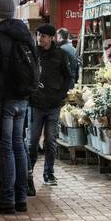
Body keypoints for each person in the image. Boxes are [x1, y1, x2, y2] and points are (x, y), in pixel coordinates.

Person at [0, 0, 40, 215]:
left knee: (5, 148)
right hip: (22, 99)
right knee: (19, 146)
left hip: (2, 100)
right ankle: (22, 197)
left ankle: (7, 199)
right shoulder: (26, 35)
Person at [28, 24, 76, 191]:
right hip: (35, 105)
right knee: (32, 141)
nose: (40, 38)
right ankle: (28, 173)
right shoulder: (33, 54)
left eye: (43, 36)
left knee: (50, 141)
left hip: (53, 105)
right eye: (38, 35)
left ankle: (49, 173)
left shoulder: (60, 55)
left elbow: (69, 77)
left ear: (51, 38)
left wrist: (60, 95)